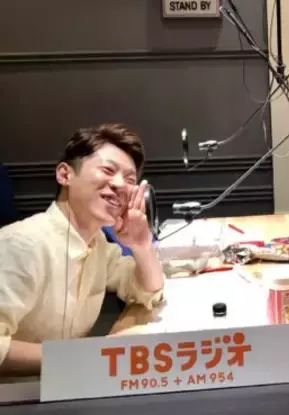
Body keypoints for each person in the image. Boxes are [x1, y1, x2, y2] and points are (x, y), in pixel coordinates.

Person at [0, 123, 165, 376]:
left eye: (130, 179)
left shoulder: (97, 243)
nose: (120, 184)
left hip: (69, 384)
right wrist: (87, 355)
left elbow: (147, 291)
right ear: (65, 175)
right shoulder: (21, 246)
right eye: (108, 170)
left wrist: (141, 246)